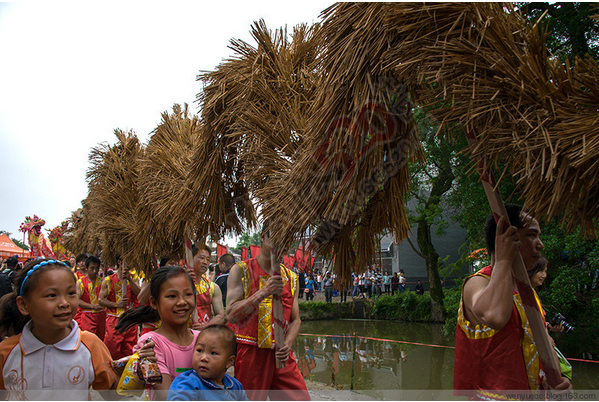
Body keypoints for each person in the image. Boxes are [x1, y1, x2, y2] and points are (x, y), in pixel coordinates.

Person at [454, 205, 572, 398]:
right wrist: (503, 261)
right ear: (506, 239)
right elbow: (494, 315)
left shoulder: (527, 290)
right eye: (532, 235)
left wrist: (557, 381)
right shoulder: (477, 283)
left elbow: (542, 344)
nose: (540, 244)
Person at [0, 259, 115, 400]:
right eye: (52, 295)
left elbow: (113, 392)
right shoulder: (6, 352)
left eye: (71, 293)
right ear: (24, 305)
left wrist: (134, 371)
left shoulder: (91, 345)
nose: (64, 303)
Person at [226, 225, 310, 401]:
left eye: (286, 240)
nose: (281, 243)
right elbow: (231, 314)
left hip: (281, 353)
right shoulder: (240, 270)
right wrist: (263, 292)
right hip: (251, 353)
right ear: (263, 237)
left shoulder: (292, 277)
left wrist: (287, 344)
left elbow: (296, 320)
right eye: (276, 237)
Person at [117, 266, 200, 400]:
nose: (182, 302)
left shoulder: (201, 339)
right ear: (154, 303)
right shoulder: (150, 344)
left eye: (188, 294)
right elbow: (167, 396)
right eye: (172, 296)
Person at [167, 324, 248, 401]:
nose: (203, 358)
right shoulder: (189, 384)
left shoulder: (234, 385)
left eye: (213, 353)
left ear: (229, 362)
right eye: (199, 350)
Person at [99, 255, 140, 359]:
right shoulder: (108, 280)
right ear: (119, 261)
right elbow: (100, 300)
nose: (129, 264)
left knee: (129, 351)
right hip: (114, 320)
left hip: (130, 319)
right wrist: (116, 304)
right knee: (112, 350)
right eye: (127, 261)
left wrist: (129, 279)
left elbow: (140, 294)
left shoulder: (134, 278)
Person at [189, 244, 225, 330]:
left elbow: (220, 316)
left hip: (202, 336)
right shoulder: (179, 283)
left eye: (208, 259)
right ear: (190, 259)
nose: (205, 262)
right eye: (201, 258)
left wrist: (204, 327)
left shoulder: (213, 288)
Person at [75, 256, 106, 341]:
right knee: (88, 340)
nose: (95, 271)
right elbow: (77, 300)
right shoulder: (80, 283)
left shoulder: (103, 282)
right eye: (92, 268)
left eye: (97, 268)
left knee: (101, 340)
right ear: (86, 268)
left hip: (102, 316)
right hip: (87, 316)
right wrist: (92, 306)